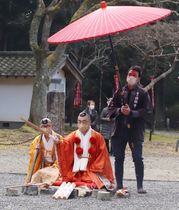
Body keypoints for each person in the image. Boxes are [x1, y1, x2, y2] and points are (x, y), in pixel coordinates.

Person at [108, 65, 151, 194]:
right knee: (118, 158)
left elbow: (147, 111)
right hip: (120, 130)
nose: (131, 76)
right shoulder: (119, 91)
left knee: (138, 158)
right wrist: (120, 110)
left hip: (135, 130)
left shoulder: (143, 93)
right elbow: (111, 108)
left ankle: (140, 186)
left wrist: (132, 113)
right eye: (129, 74)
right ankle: (119, 184)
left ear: (138, 79)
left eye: (134, 75)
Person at [56, 112, 114, 189]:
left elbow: (103, 154)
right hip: (76, 169)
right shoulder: (73, 135)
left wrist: (95, 167)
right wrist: (59, 143)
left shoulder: (97, 136)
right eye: (79, 121)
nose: (81, 124)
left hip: (90, 167)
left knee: (93, 181)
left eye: (84, 121)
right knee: (72, 178)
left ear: (89, 122)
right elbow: (65, 144)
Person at [24, 118, 63, 184]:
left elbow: (63, 154)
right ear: (40, 127)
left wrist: (55, 165)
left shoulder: (59, 138)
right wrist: (36, 151)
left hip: (55, 166)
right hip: (42, 165)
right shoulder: (37, 140)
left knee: (57, 178)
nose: (46, 128)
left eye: (48, 126)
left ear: (52, 126)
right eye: (43, 127)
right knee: (38, 175)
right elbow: (33, 155)